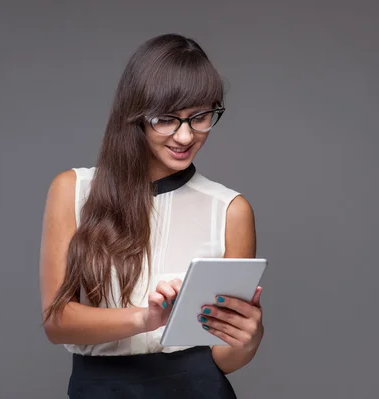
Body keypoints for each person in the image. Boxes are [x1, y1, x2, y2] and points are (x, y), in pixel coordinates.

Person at [39, 33, 264, 399]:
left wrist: (248, 340)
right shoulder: (73, 190)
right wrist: (146, 319)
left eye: (201, 117)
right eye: (167, 119)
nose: (186, 135)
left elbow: (222, 357)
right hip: (100, 389)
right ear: (135, 116)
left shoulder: (230, 210)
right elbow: (57, 323)